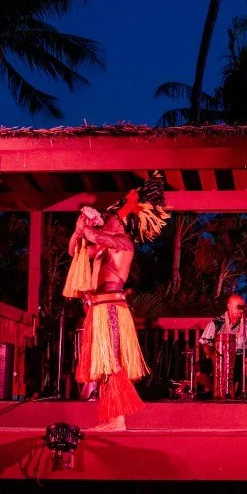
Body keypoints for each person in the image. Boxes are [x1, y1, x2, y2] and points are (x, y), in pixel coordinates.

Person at [63, 172, 169, 431]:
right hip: (99, 311)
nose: (106, 223)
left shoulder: (123, 243)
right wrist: (78, 232)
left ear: (119, 224)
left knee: (112, 361)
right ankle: (111, 418)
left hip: (111, 309)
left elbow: (96, 237)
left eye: (109, 220)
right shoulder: (102, 248)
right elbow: (73, 250)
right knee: (102, 365)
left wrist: (85, 226)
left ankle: (118, 418)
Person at [197, 294, 247, 399]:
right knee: (198, 370)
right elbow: (205, 343)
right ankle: (216, 391)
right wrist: (213, 356)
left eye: (243, 307)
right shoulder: (216, 323)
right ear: (228, 306)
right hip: (220, 357)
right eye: (238, 307)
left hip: (239, 359)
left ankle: (238, 395)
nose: (241, 310)